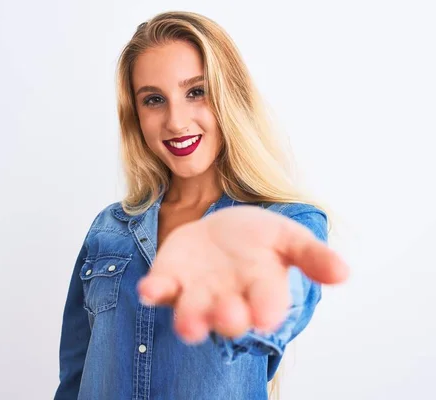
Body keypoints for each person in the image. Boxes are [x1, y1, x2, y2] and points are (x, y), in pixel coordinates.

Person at [54, 11, 349, 400]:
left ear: (232, 95)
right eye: (154, 100)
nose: (176, 121)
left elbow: (283, 302)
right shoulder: (109, 228)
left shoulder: (285, 222)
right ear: (136, 116)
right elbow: (74, 378)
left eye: (196, 91)